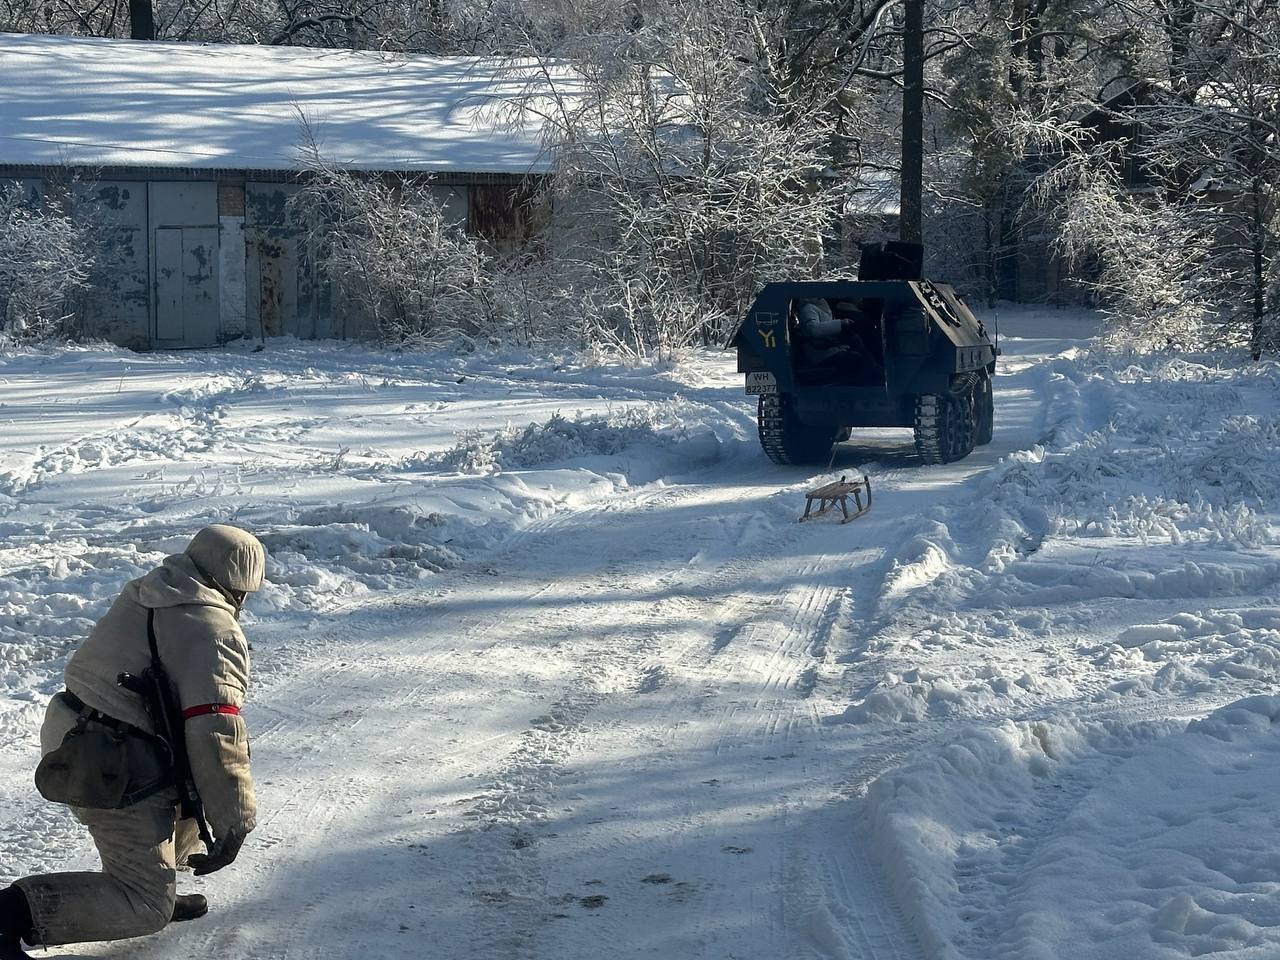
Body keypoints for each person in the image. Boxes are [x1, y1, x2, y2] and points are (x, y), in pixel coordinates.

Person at [0, 524, 265, 959]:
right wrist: (234, 821)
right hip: (112, 760)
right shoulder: (214, 630)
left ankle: (151, 877)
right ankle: (11, 913)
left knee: (185, 791)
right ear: (241, 587)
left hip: (78, 731)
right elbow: (215, 732)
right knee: (144, 907)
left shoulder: (149, 591)